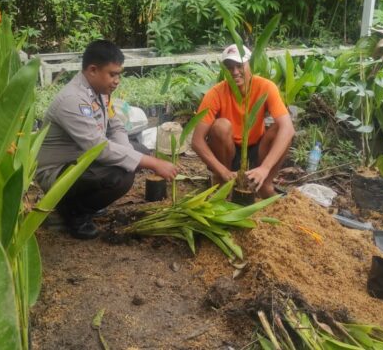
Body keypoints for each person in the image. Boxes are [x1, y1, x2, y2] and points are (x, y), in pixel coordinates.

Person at [35, 40, 177, 239]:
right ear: (93, 70)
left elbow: (115, 125)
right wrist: (150, 163)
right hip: (57, 172)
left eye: (119, 74)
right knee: (121, 175)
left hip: (80, 160)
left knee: (139, 152)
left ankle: (84, 203)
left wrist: (131, 153)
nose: (117, 80)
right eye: (112, 74)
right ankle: (73, 213)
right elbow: (99, 148)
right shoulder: (72, 100)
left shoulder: (99, 92)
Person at [191, 44, 295, 198]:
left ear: (249, 65)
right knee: (221, 126)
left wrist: (265, 168)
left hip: (256, 151)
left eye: (239, 66)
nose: (235, 72)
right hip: (228, 153)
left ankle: (265, 183)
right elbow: (197, 141)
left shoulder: (266, 87)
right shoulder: (215, 93)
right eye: (229, 67)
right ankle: (222, 181)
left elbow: (288, 129)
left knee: (280, 130)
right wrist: (223, 171)